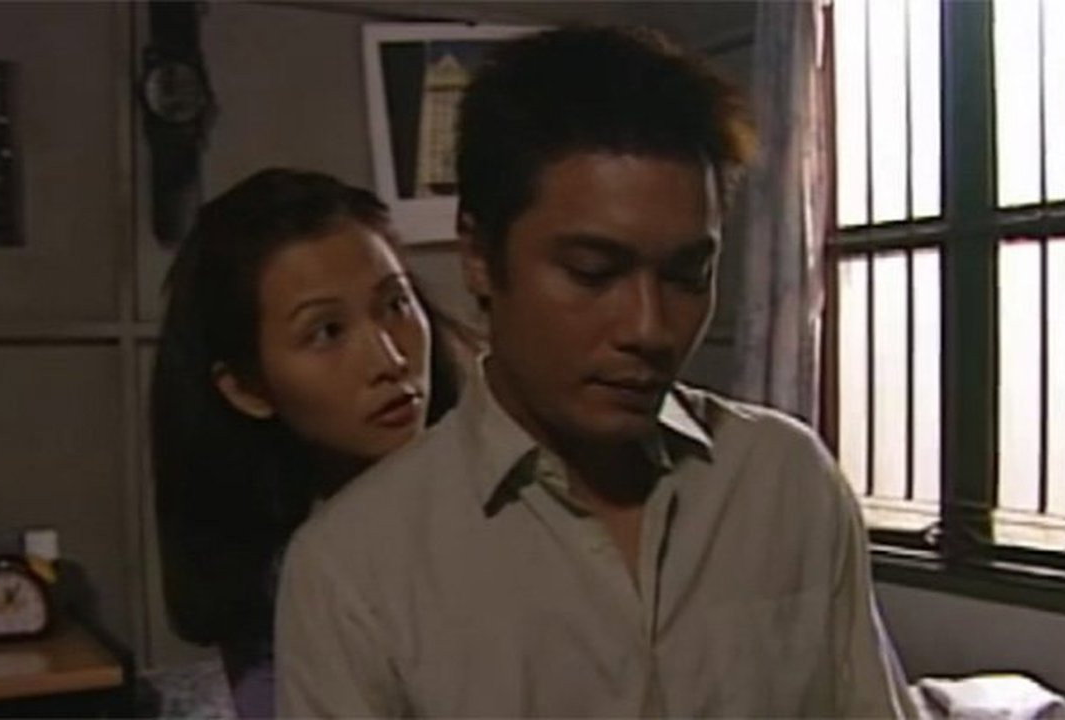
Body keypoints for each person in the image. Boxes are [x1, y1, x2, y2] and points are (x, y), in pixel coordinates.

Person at [276, 26, 916, 718]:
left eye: (686, 275)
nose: (649, 328)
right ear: (480, 256)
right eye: (592, 273)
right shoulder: (354, 570)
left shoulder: (784, 481)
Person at [152, 168, 470, 718]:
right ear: (246, 388)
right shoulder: (287, 585)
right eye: (327, 332)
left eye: (395, 305)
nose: (390, 360)